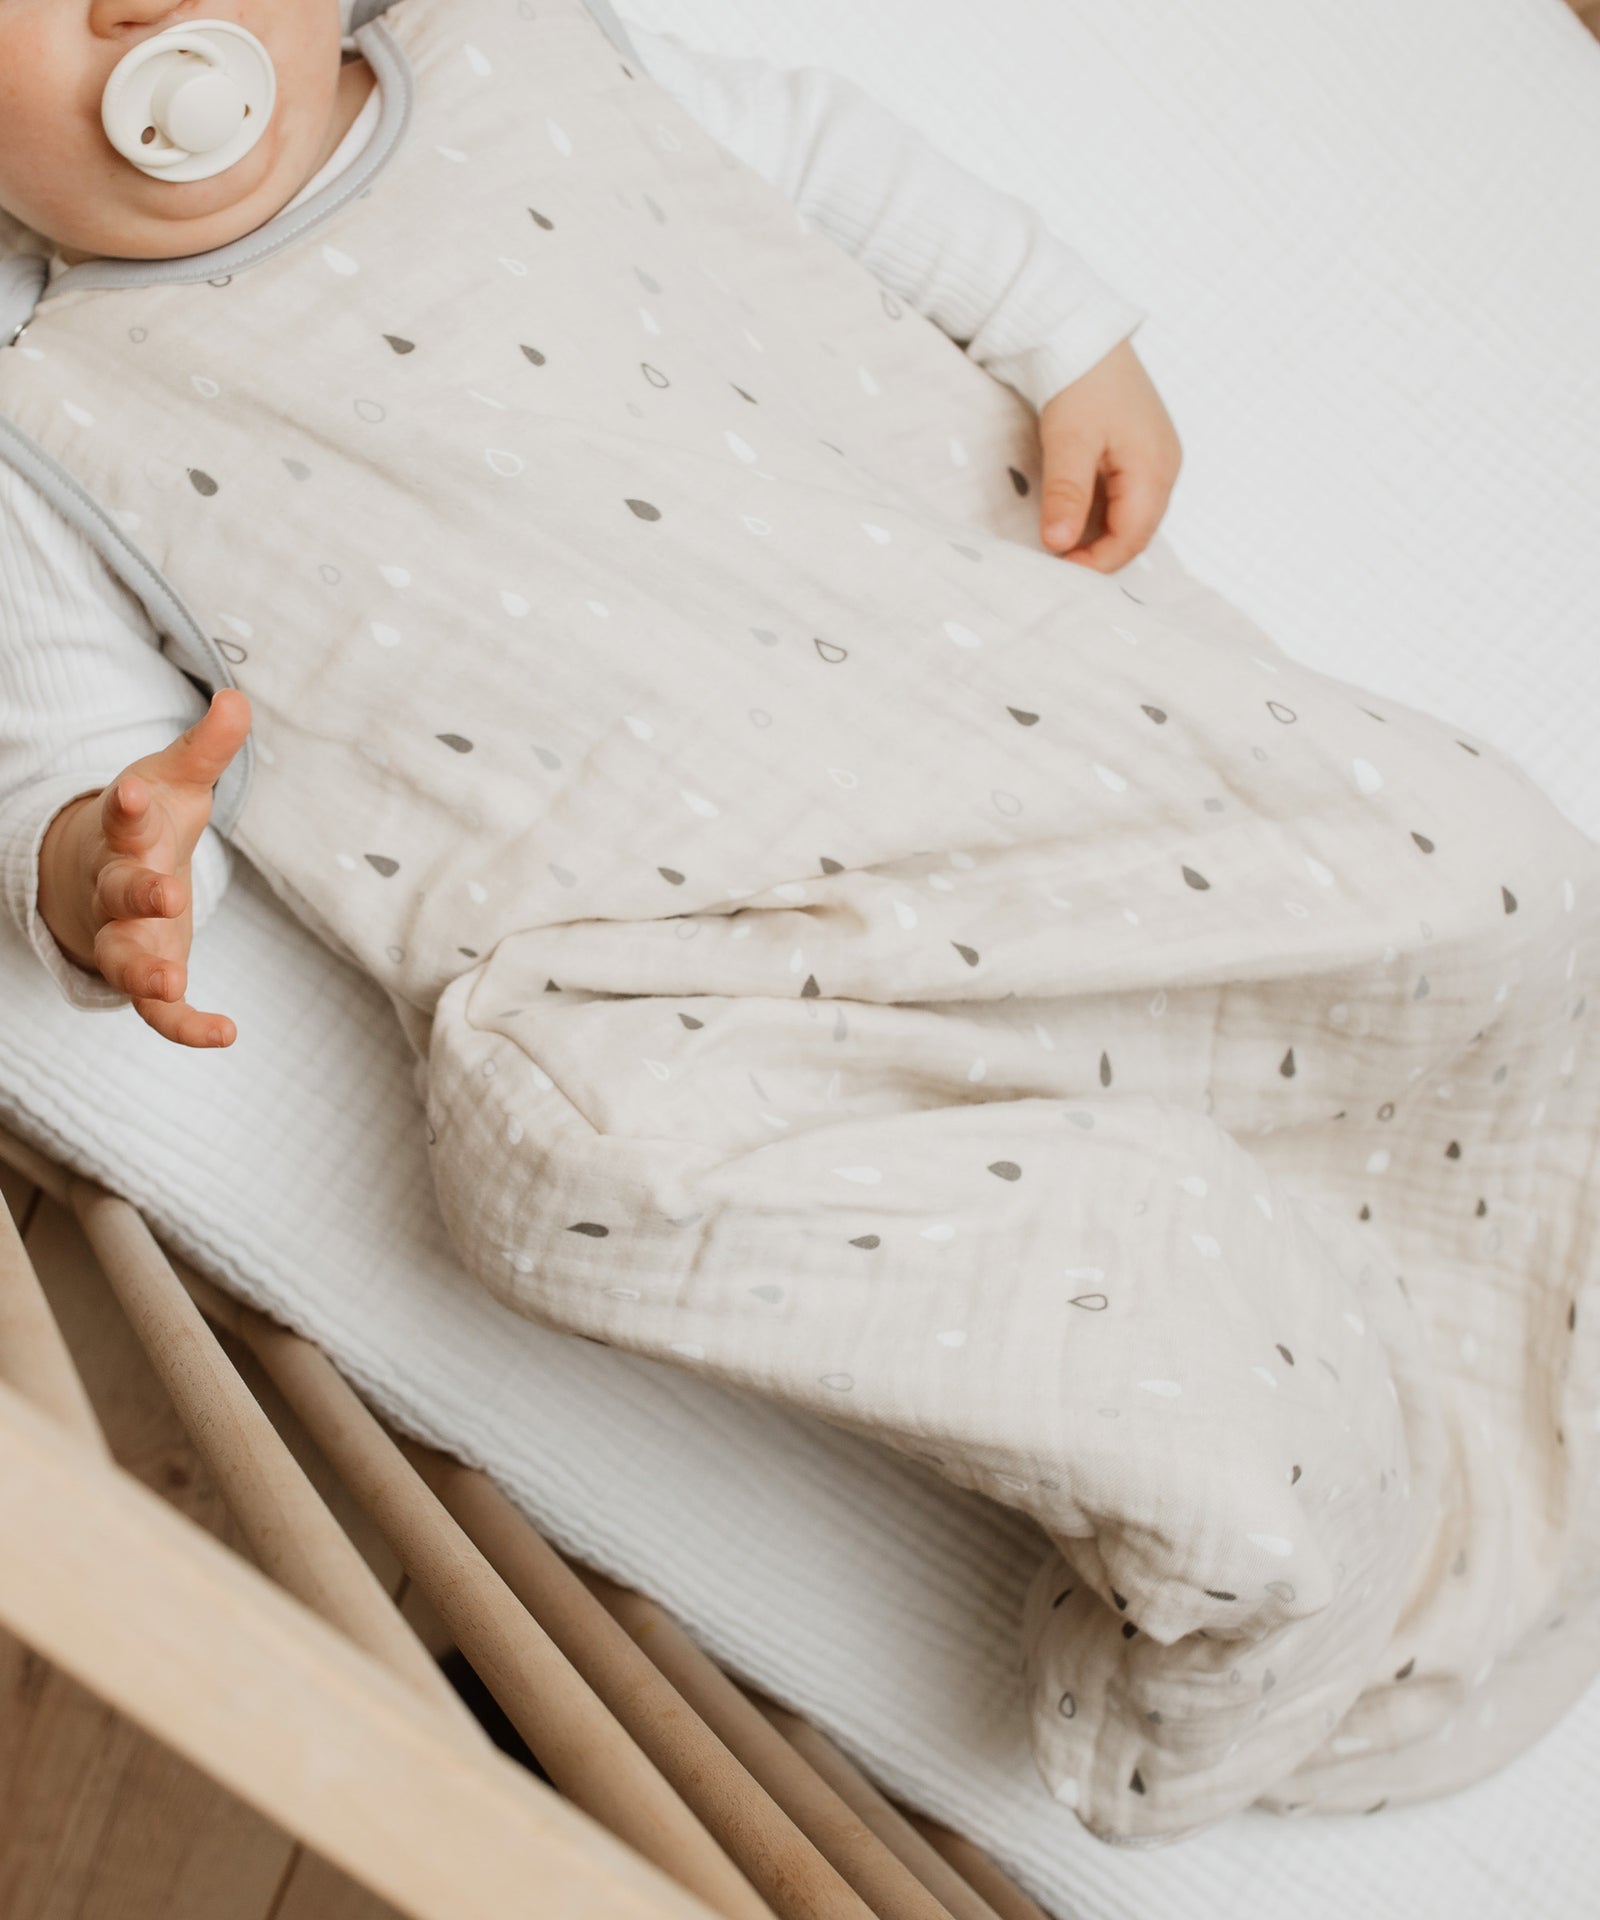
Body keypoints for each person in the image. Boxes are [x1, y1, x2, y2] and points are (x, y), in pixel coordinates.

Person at [2, 0, 1596, 1843]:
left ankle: (1511, 1236)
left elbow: (829, 161)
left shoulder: (522, 51)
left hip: (1012, 747)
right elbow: (72, 767)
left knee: (1490, 872)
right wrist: (108, 868)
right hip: (689, 968)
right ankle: (1261, 1440)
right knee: (559, 1169)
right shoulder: (51, 422)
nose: (133, 7)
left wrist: (1065, 337)